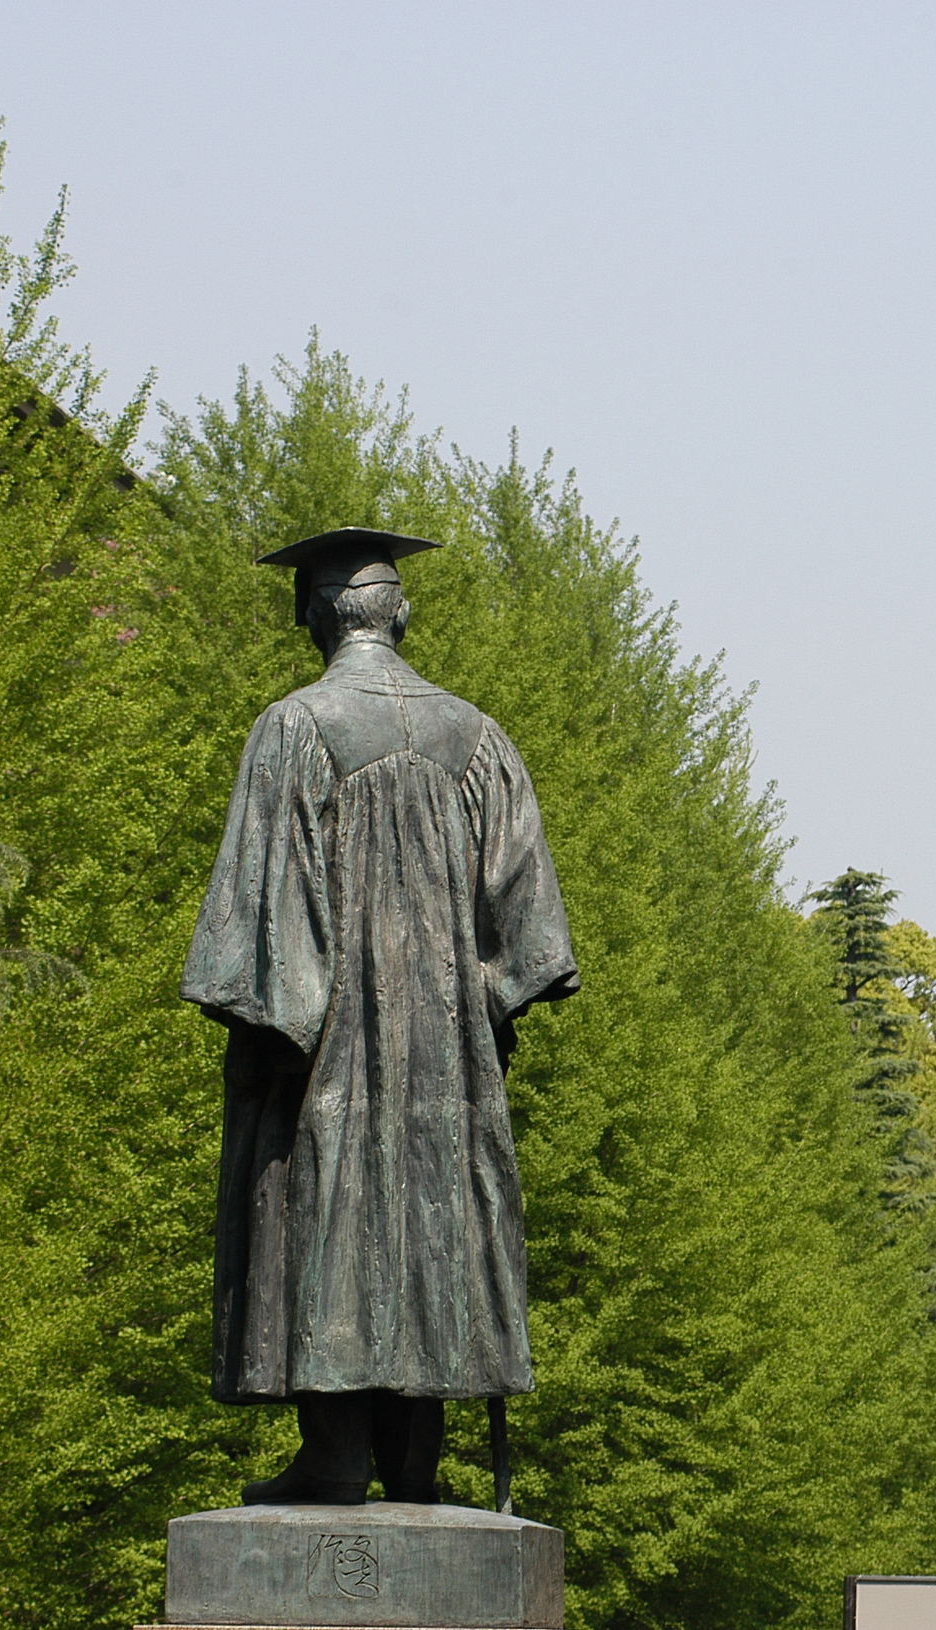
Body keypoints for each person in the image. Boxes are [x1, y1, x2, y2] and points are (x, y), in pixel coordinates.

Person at [182, 527, 578, 1505]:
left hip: (330, 1060)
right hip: (447, 1061)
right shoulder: (480, 741)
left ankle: (337, 1451)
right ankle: (416, 1461)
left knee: (329, 1205)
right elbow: (530, 945)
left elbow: (259, 946)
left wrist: (286, 1027)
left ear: (310, 614)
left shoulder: (292, 730)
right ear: (400, 611)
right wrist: (463, 1017)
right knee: (435, 1215)